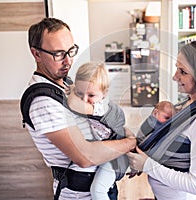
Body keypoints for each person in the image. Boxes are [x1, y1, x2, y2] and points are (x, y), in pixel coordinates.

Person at [23, 17, 136, 200]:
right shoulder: (43, 101)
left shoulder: (65, 84)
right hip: (81, 194)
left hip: (98, 184)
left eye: (71, 51)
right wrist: (130, 143)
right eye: (58, 54)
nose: (68, 61)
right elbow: (85, 156)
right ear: (36, 54)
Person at [127, 40, 196, 200]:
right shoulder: (187, 104)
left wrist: (147, 165)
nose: (175, 77)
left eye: (183, 71)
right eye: (177, 68)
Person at [67, 62, 129, 200]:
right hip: (106, 153)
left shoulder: (102, 107)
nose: (85, 100)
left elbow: (72, 103)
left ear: (104, 93)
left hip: (116, 158)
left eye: (91, 95)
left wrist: (73, 91)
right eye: (80, 93)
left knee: (98, 190)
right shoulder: (92, 100)